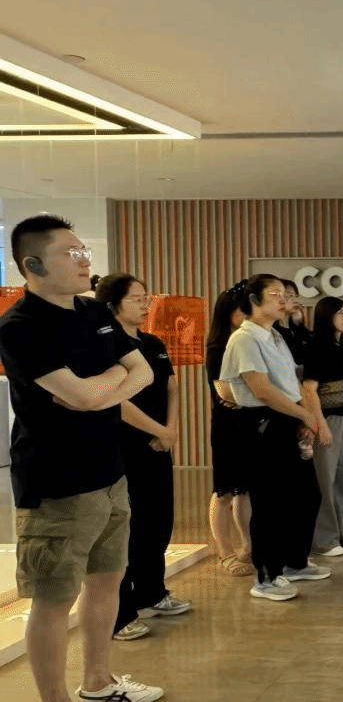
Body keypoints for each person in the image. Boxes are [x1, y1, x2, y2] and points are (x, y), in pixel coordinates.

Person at [0, 215, 162, 701]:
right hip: (56, 483)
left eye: (83, 250)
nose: (84, 260)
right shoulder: (20, 327)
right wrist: (106, 384)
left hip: (109, 472)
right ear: (33, 265)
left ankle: (98, 681)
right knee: (53, 599)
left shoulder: (93, 311)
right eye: (71, 253)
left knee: (107, 580)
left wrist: (99, 387)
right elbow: (89, 394)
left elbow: (142, 373)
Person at [91, 274, 191, 644]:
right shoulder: (104, 345)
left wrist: (170, 430)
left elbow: (171, 387)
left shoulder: (152, 343)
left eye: (146, 297)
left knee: (157, 521)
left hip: (159, 446)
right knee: (123, 530)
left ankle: (152, 592)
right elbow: (116, 400)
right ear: (113, 304)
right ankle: (121, 612)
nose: (146, 304)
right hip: (123, 448)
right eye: (137, 298)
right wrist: (158, 430)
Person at [219, 274, 331, 601]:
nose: (283, 301)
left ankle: (295, 562)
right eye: (275, 295)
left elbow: (291, 382)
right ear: (254, 301)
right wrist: (305, 415)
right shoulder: (244, 338)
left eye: (285, 295)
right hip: (262, 423)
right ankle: (266, 577)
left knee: (305, 495)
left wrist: (303, 414)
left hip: (287, 418)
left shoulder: (276, 335)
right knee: (270, 503)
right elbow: (261, 389)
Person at [301, 297, 343, 558]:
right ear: (326, 316)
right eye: (340, 312)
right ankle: (325, 539)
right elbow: (309, 389)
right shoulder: (316, 345)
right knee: (324, 480)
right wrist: (320, 425)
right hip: (326, 418)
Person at [205, 286, 254, 577]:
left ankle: (248, 546)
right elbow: (224, 392)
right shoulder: (218, 347)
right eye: (242, 311)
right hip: (227, 424)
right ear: (229, 313)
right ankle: (224, 552)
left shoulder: (246, 343)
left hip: (247, 422)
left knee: (244, 490)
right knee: (223, 491)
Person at [274, 279, 313, 367]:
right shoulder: (272, 329)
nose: (295, 300)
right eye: (290, 295)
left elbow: (306, 354)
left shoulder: (295, 326)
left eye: (295, 296)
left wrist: (299, 324)